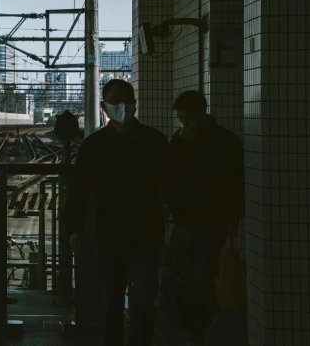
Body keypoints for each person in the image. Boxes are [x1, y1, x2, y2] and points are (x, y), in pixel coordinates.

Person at [66, 79, 191, 346]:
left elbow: (170, 186)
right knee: (112, 302)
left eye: (128, 101)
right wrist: (74, 227)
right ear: (104, 106)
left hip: (142, 234)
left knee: (142, 299)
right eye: (116, 102)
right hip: (112, 234)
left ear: (135, 104)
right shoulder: (95, 146)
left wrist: (183, 223)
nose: (123, 107)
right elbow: (79, 190)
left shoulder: (152, 142)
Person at [170, 91, 244, 346]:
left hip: (213, 217)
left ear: (202, 112)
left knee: (200, 272)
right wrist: (181, 142)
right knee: (185, 271)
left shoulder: (226, 141)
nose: (184, 123)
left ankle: (200, 327)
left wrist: (234, 216)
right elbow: (169, 172)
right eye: (180, 119)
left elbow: (236, 181)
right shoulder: (180, 139)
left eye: (187, 117)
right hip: (185, 218)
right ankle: (194, 324)